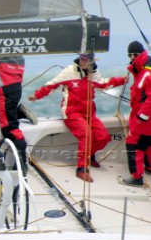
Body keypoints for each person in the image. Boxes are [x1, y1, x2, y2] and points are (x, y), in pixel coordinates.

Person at [28, 53, 128, 182]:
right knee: (86, 135)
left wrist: (121, 80)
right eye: (82, 59)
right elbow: (51, 85)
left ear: (92, 61)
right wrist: (36, 96)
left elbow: (103, 84)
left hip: (89, 113)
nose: (83, 62)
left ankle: (90, 157)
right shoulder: (69, 71)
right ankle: (81, 169)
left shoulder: (94, 73)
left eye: (86, 60)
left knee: (104, 137)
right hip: (72, 112)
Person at [0, 56, 36, 171]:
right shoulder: (18, 56)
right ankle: (18, 111)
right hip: (14, 91)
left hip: (4, 95)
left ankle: (21, 163)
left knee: (9, 129)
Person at [120, 41, 151, 187]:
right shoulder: (140, 70)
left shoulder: (146, 73)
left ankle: (137, 177)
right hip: (143, 115)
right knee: (147, 142)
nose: (131, 58)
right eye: (130, 55)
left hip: (144, 117)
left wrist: (141, 117)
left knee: (134, 143)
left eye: (133, 55)